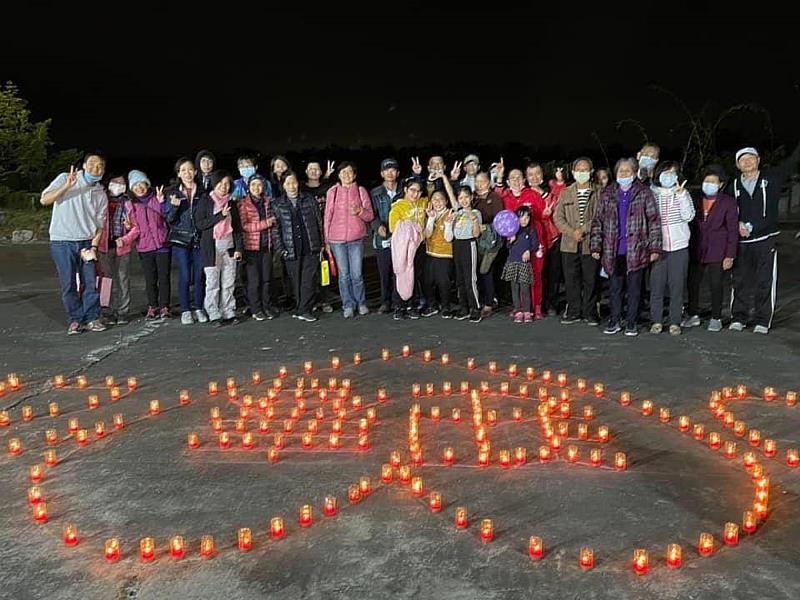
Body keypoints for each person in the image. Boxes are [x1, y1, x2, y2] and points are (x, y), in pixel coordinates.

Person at [725, 141, 800, 333]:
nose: (747, 162)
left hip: (765, 239)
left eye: (751, 158)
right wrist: (736, 225)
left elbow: (791, 162)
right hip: (742, 242)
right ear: (737, 164)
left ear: (758, 160)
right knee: (739, 281)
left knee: (764, 280)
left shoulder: (771, 179)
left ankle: (762, 320)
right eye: (743, 160)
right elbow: (726, 211)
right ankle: (738, 317)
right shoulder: (732, 185)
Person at [590, 157, 662, 336]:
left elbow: (654, 221)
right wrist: (595, 246)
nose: (624, 174)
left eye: (628, 171)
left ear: (634, 172)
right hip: (612, 250)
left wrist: (654, 248)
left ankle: (631, 321)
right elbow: (598, 221)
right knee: (615, 289)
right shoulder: (608, 194)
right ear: (616, 173)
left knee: (635, 289)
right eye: (621, 171)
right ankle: (615, 320)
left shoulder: (644, 193)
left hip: (636, 249)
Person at [40, 151, 109, 335]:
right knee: (68, 283)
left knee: (90, 282)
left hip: (86, 242)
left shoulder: (100, 193)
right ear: (84, 166)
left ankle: (93, 317)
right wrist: (66, 187)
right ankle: (75, 320)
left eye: (100, 165)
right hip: (62, 241)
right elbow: (44, 199)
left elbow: (99, 225)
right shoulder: (66, 178)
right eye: (93, 164)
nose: (97, 168)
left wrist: (94, 246)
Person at [684, 165, 738, 332]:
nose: (709, 184)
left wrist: (730, 255)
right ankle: (693, 315)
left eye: (713, 182)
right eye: (707, 181)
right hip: (696, 248)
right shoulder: (694, 198)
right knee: (693, 284)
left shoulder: (728, 202)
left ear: (721, 184)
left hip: (717, 251)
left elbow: (732, 230)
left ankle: (716, 317)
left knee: (716, 284)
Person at [494, 163, 546, 318]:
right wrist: (500, 175)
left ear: (524, 180)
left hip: (533, 240)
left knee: (535, 274)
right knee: (517, 276)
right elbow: (496, 194)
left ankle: (535, 306)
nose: (516, 180)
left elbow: (544, 212)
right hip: (515, 243)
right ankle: (520, 307)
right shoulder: (505, 197)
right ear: (508, 182)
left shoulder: (532, 194)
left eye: (519, 177)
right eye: (512, 178)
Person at [648, 162, 695, 335]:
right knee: (657, 286)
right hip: (658, 248)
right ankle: (656, 321)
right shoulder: (652, 194)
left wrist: (681, 195)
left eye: (673, 173)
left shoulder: (683, 193)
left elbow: (689, 216)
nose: (669, 176)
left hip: (679, 247)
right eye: (665, 172)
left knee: (677, 286)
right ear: (659, 175)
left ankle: (675, 321)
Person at [272, 171, 324, 322]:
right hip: (291, 248)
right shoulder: (277, 204)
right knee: (296, 281)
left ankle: (304, 309)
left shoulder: (309, 199)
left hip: (310, 246)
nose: (291, 186)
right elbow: (276, 230)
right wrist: (281, 250)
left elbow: (319, 222)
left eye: (293, 182)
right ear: (283, 185)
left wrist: (321, 243)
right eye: (287, 183)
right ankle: (302, 308)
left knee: (309, 279)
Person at [324, 162, 374, 318]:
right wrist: (326, 240)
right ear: (338, 175)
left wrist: (359, 211)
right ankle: (348, 305)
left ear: (354, 175)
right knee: (344, 274)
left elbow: (370, 215)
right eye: (343, 172)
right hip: (336, 239)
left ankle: (361, 303)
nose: (346, 175)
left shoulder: (361, 190)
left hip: (356, 239)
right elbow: (327, 215)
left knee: (357, 274)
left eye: (349, 172)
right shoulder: (333, 191)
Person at [554, 157, 601, 325]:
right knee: (571, 278)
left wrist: (583, 229)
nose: (582, 173)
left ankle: (590, 312)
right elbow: (558, 217)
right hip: (569, 243)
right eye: (579, 170)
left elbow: (599, 216)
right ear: (573, 173)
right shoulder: (566, 192)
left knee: (590, 279)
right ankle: (573, 310)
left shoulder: (598, 192)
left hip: (590, 243)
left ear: (591, 171)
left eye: (585, 170)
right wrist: (572, 232)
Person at [196, 170, 243, 326]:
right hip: (212, 246)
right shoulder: (205, 201)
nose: (223, 187)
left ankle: (228, 311)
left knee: (229, 281)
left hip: (229, 245)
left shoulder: (231, 203)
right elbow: (200, 224)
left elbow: (237, 227)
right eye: (220, 183)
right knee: (213, 282)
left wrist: (239, 248)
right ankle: (213, 312)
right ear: (214, 184)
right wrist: (220, 216)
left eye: (227, 184)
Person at [165, 157, 208, 325]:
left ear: (195, 172)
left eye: (190, 170)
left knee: (199, 275)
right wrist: (174, 207)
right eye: (183, 170)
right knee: (184, 275)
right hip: (180, 239)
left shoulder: (203, 193)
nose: (187, 173)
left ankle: (198, 307)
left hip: (199, 238)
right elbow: (169, 219)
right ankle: (185, 310)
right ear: (178, 174)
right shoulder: (173, 193)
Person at [126, 170, 172, 320]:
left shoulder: (156, 198)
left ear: (147, 184)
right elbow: (132, 226)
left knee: (164, 277)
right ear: (131, 189)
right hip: (144, 246)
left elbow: (167, 215)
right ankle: (153, 306)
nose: (139, 188)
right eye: (135, 185)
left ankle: (165, 306)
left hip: (162, 245)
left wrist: (160, 202)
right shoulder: (131, 204)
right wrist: (127, 226)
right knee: (150, 278)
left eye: (142, 184)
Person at [527, 162, 567, 317]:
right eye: (530, 174)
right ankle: (536, 303)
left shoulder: (550, 194)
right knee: (537, 273)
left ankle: (551, 303)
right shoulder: (525, 194)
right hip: (535, 240)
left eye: (537, 173)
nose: (534, 177)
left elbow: (561, 195)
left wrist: (559, 181)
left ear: (542, 176)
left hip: (552, 238)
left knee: (553, 273)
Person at [238, 173, 278, 321]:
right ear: (248, 187)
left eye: (259, 185)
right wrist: (266, 223)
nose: (256, 187)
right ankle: (256, 308)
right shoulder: (243, 204)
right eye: (253, 185)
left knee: (267, 279)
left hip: (266, 246)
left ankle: (267, 306)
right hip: (251, 248)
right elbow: (244, 226)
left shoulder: (268, 202)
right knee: (254, 280)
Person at [388, 177, 429, 319]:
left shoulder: (423, 203)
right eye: (412, 190)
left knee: (415, 275)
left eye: (418, 191)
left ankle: (412, 304)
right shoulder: (397, 206)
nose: (415, 194)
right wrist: (411, 227)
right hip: (403, 247)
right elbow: (393, 227)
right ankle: (399, 306)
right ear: (405, 189)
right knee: (400, 274)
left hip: (419, 247)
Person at [98, 174, 134, 325]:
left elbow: (135, 227)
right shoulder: (101, 199)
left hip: (122, 246)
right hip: (104, 246)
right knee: (106, 280)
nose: (119, 185)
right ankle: (107, 311)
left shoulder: (128, 202)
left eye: (122, 183)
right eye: (116, 182)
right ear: (109, 183)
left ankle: (123, 312)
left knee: (123, 279)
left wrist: (126, 233)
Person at [302, 159, 336, 314]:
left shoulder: (327, 187)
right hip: (309, 234)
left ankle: (325, 299)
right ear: (306, 172)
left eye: (317, 169)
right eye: (310, 168)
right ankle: (312, 299)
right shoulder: (302, 189)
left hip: (327, 232)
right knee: (310, 270)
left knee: (326, 268)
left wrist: (327, 178)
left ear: (321, 172)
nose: (314, 171)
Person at [369, 158, 402, 313]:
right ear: (382, 173)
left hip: (400, 237)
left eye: (393, 170)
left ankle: (398, 300)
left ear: (398, 173)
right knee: (384, 271)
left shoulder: (403, 190)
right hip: (382, 237)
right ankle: (385, 301)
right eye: (386, 170)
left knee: (400, 270)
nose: (390, 173)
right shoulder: (375, 193)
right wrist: (377, 227)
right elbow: (371, 214)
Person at [422, 178, 456, 318]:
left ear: (446, 201)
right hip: (430, 252)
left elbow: (449, 238)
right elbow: (427, 234)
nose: (437, 202)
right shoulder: (430, 214)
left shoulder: (450, 214)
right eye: (435, 199)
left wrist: (448, 224)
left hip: (445, 254)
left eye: (441, 199)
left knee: (444, 282)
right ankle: (432, 305)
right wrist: (430, 219)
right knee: (427, 280)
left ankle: (446, 307)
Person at [472, 171, 504, 317]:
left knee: (486, 270)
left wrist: (487, 225)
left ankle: (489, 303)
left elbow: (499, 218)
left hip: (492, 239)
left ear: (489, 183)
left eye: (483, 181)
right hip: (476, 239)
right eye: (477, 181)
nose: (479, 184)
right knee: (477, 270)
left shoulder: (495, 198)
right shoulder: (473, 198)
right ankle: (482, 299)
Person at [450, 185, 483, 322]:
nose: (463, 200)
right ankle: (464, 307)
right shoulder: (457, 213)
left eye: (466, 197)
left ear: (471, 197)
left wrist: (474, 219)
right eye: (460, 197)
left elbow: (476, 234)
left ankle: (475, 308)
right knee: (460, 279)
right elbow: (450, 193)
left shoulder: (476, 213)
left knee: (470, 279)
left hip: (469, 244)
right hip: (457, 244)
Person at [502, 206, 538, 323]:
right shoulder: (513, 230)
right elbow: (507, 247)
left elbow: (535, 244)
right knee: (514, 288)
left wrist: (528, 251)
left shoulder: (531, 230)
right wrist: (510, 240)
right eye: (521, 217)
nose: (524, 220)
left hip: (524, 264)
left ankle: (527, 311)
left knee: (525, 288)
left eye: (527, 217)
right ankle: (518, 311)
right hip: (512, 262)